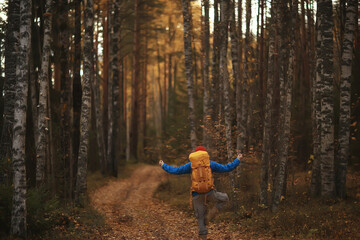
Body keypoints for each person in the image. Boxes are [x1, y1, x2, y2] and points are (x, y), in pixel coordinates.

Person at [159, 146, 242, 237]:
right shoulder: (210, 164)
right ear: (204, 154)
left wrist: (163, 165)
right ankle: (211, 214)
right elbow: (226, 168)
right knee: (225, 198)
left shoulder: (191, 165)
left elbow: (176, 170)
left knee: (200, 217)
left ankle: (203, 236)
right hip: (210, 191)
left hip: (196, 193)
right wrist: (237, 159)